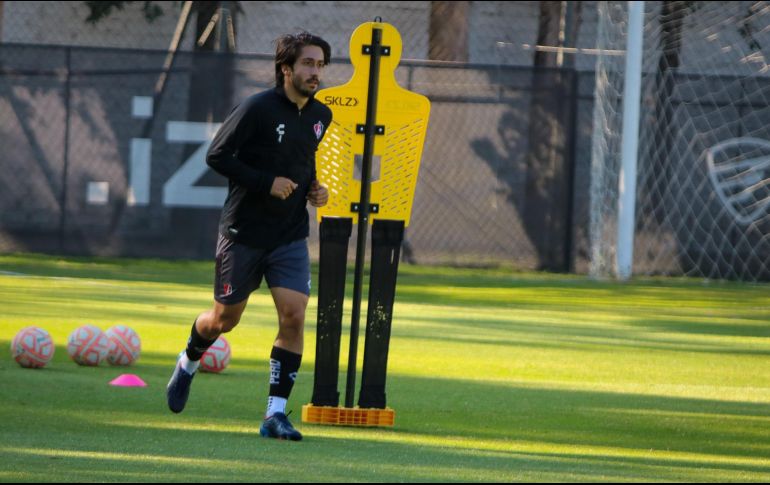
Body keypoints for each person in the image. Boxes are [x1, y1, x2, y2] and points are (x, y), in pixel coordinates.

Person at [166, 31, 332, 442]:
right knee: (224, 320)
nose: (315, 72)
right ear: (286, 69)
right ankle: (188, 359)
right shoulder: (257, 108)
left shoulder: (321, 116)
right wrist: (265, 183)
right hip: (243, 232)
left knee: (293, 316)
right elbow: (216, 155)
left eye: (320, 64)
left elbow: (300, 161)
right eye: (308, 64)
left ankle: (275, 414)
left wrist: (314, 189)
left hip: (290, 235)